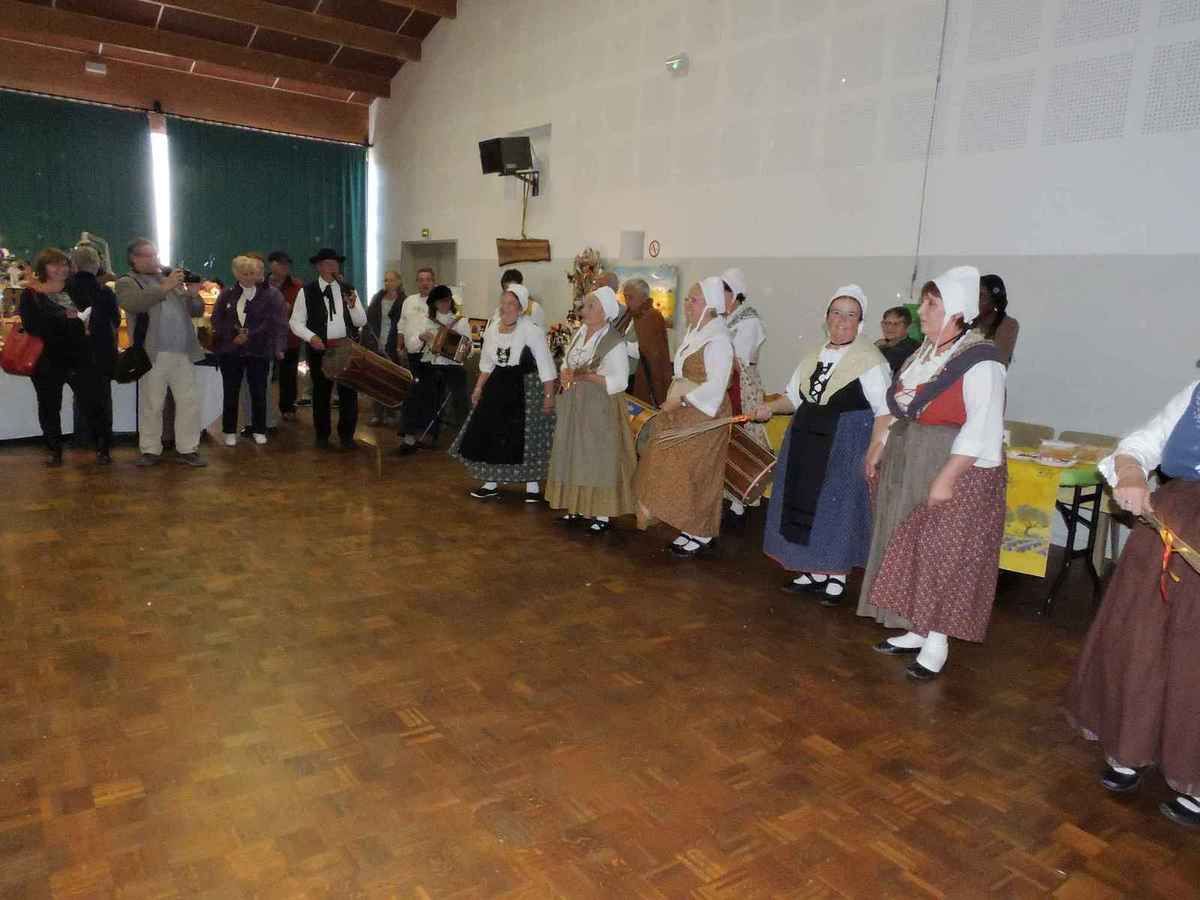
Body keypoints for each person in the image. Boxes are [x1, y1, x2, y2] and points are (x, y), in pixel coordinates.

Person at [857, 266, 1007, 681]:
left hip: (953, 462)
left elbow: (983, 426)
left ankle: (937, 642)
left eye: (931, 304)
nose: (920, 311)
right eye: (924, 302)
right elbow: (901, 406)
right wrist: (880, 443)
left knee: (944, 553)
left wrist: (947, 477)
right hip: (911, 455)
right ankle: (917, 628)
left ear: (956, 309)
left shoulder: (982, 360)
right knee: (909, 546)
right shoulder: (925, 353)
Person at [1065, 379, 1200, 828]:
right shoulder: (1196, 392)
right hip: (1168, 526)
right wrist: (1131, 474)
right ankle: (1131, 747)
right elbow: (1141, 444)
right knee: (1142, 641)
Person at [752, 286, 891, 604]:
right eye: (836, 313)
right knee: (805, 503)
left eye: (851, 315)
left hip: (846, 444)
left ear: (860, 322)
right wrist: (769, 408)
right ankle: (813, 569)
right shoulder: (812, 357)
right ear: (826, 318)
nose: (842, 320)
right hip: (805, 442)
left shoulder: (870, 361)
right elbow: (794, 398)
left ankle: (836, 575)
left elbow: (885, 410)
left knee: (836, 507)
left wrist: (875, 448)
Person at [633, 277, 734, 558]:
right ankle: (690, 526)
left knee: (697, 472)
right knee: (679, 469)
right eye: (688, 299)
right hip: (684, 409)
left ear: (710, 305)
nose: (688, 305)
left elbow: (717, 385)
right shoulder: (696, 333)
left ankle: (701, 531)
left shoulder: (719, 340)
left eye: (694, 300)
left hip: (704, 414)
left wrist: (682, 400)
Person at [450, 284, 557, 501]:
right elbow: (487, 364)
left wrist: (548, 396)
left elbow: (546, 366)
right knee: (492, 433)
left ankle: (533, 488)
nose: (505, 308)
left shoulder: (532, 331)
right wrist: (478, 387)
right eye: (503, 303)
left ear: (521, 308)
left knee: (526, 437)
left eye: (511, 304)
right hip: (498, 385)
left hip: (525, 388)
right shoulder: (492, 329)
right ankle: (490, 483)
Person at [546, 287, 636, 532]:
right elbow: (568, 361)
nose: (583, 310)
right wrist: (566, 373)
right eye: (584, 306)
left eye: (590, 306)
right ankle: (576, 506)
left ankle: (601, 513)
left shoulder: (614, 342)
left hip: (599, 405)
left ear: (605, 312)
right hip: (575, 403)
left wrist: (588, 377)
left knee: (597, 456)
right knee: (574, 452)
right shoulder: (580, 333)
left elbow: (620, 381)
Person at [115, 238, 208, 467]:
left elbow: (195, 311)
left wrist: (193, 294)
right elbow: (133, 304)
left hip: (182, 352)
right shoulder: (127, 282)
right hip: (151, 353)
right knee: (152, 404)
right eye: (149, 255)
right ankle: (150, 450)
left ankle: (188, 448)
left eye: (155, 254)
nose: (155, 259)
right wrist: (166, 286)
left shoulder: (168, 279)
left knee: (189, 402)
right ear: (134, 259)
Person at [18, 248, 112, 466]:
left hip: (81, 354)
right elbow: (32, 325)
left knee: (94, 403)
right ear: (43, 267)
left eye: (64, 264)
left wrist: (83, 321)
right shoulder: (31, 293)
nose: (61, 269)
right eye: (54, 264)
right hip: (47, 358)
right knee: (49, 406)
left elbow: (96, 314)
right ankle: (54, 450)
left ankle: (103, 447)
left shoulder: (77, 288)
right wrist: (64, 318)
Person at [288, 247, 366, 450]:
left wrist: (353, 305)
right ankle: (322, 436)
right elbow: (295, 322)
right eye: (328, 264)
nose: (333, 268)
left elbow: (361, 321)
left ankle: (347, 436)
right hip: (320, 350)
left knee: (349, 394)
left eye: (335, 264)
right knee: (321, 394)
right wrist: (311, 337)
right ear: (319, 267)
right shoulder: (307, 291)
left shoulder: (348, 289)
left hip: (346, 349)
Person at [211, 255, 286, 446]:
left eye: (252, 273)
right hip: (231, 352)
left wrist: (251, 335)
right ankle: (229, 431)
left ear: (258, 274)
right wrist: (232, 337)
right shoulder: (226, 294)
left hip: (259, 351)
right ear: (236, 274)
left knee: (259, 392)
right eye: (244, 274)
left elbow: (273, 322)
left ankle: (259, 429)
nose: (248, 277)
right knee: (231, 392)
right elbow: (217, 321)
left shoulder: (268, 295)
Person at [396, 285, 472, 454]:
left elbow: (469, 348)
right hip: (429, 364)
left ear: (451, 301)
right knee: (414, 391)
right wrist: (421, 337)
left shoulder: (461, 321)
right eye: (440, 301)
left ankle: (466, 439)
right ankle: (409, 437)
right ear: (434, 304)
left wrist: (464, 347)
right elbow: (413, 347)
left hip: (452, 366)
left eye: (447, 301)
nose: (444, 304)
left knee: (460, 395)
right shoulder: (426, 320)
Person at [721, 268, 769, 520]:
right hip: (725, 382)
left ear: (734, 294)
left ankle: (740, 495)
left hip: (742, 384)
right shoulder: (723, 318)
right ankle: (723, 489)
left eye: (723, 292)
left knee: (742, 437)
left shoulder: (749, 320)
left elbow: (739, 357)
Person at [66, 245, 120, 455]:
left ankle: (82, 438)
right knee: (103, 398)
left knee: (80, 396)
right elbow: (115, 321)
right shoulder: (105, 291)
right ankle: (103, 444)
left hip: (75, 351)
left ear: (74, 265)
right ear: (97, 265)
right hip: (103, 351)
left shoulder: (65, 289)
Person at [618, 277, 671, 407]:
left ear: (643, 297)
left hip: (639, 379)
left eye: (630, 297)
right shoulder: (629, 314)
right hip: (623, 376)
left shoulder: (652, 316)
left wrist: (620, 344)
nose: (627, 301)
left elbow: (646, 352)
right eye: (625, 297)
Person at [267, 250, 303, 420]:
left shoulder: (297, 286)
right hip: (264, 337)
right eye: (280, 263)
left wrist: (291, 309)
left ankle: (288, 408)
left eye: (287, 264)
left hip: (290, 337)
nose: (284, 267)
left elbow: (303, 311)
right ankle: (264, 411)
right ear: (271, 264)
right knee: (263, 375)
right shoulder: (260, 284)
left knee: (288, 375)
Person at [365, 270, 404, 426]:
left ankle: (392, 413)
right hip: (376, 345)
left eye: (392, 280)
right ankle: (377, 413)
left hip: (393, 346)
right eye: (386, 280)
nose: (388, 283)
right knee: (376, 380)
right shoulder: (377, 298)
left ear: (399, 282)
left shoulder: (404, 301)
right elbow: (369, 321)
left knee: (391, 381)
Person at [974, 274, 1019, 366]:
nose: (975, 299)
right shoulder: (967, 321)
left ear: (994, 299)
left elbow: (998, 361)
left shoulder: (1008, 324)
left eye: (980, 295)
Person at [876, 305, 920, 374]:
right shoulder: (883, 345)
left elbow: (873, 367)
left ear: (908, 327)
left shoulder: (911, 348)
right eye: (886, 323)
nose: (890, 327)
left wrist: (874, 348)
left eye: (896, 324)